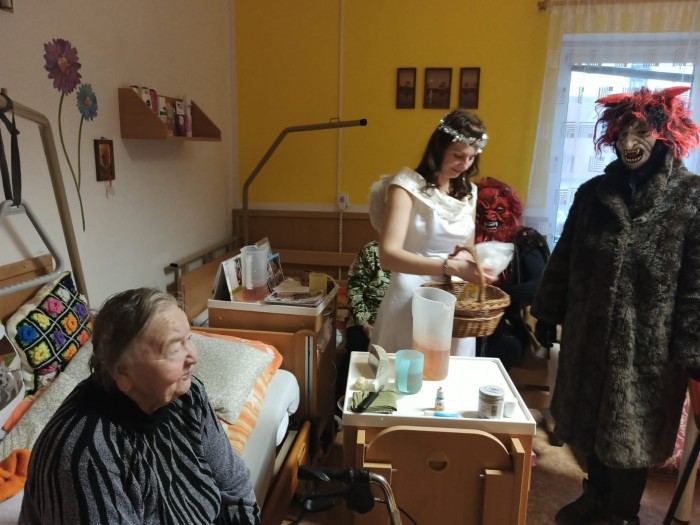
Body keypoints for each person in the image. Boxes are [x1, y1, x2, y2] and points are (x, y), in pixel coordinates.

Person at [531, 86, 700, 525]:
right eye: (624, 130)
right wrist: (548, 311)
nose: (630, 141)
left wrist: (694, 353)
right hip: (588, 336)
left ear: (665, 134)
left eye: (642, 130)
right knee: (589, 425)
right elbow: (565, 257)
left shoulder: (691, 198)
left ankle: (622, 513)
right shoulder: (592, 194)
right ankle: (594, 496)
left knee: (631, 436)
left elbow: (696, 286)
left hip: (650, 352)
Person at [19, 288, 260, 525]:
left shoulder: (188, 395)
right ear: (122, 371)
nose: (194, 357)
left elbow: (234, 483)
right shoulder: (87, 455)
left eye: (189, 338)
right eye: (173, 347)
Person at [369, 109, 497, 355]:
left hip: (453, 298)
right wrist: (451, 267)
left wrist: (471, 263)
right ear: (439, 148)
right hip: (410, 294)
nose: (464, 165)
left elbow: (466, 248)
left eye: (471, 158)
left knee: (450, 369)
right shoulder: (406, 186)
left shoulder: (469, 193)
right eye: (458, 155)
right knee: (407, 368)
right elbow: (388, 256)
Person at [475, 177, 550, 370]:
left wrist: (498, 295)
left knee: (507, 345)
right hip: (470, 317)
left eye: (499, 209)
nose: (489, 216)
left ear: (511, 211)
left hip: (511, 319)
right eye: (482, 210)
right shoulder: (466, 240)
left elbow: (539, 285)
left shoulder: (524, 239)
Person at [336, 240, 391, 403]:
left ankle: (386, 403)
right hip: (365, 322)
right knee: (357, 354)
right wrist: (365, 324)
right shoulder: (371, 251)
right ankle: (343, 406)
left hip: (396, 323)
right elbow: (355, 292)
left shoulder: (417, 256)